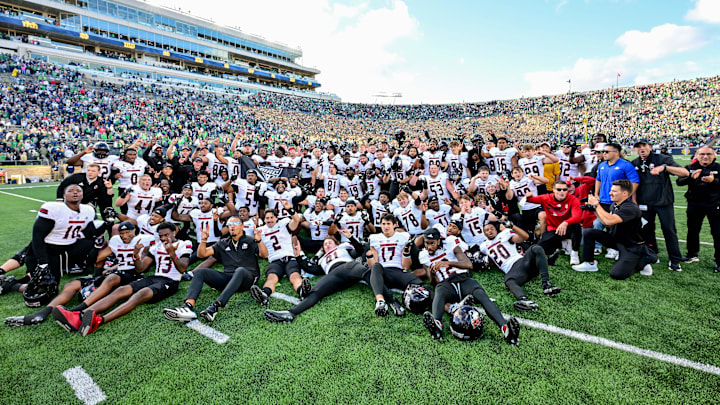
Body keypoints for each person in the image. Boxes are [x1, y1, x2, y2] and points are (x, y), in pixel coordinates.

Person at [51, 222, 192, 336]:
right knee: (121, 290)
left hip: (170, 282)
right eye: (160, 236)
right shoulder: (156, 247)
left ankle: (100, 321)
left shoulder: (185, 244)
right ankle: (78, 315)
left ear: (175, 232)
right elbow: (141, 269)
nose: (163, 238)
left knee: (140, 295)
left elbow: (183, 268)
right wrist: (136, 256)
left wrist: (172, 254)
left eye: (166, 235)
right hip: (154, 277)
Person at [412, 228, 520, 344]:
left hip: (463, 279)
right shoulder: (423, 255)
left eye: (432, 243)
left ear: (439, 241)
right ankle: (436, 326)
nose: (429, 247)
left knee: (482, 296)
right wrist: (432, 274)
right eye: (426, 243)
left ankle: (505, 329)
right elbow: (433, 282)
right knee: (439, 293)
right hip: (446, 284)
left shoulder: (450, 243)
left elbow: (468, 264)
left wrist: (448, 263)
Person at [263, 232, 396, 322]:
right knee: (315, 292)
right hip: (334, 276)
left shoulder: (343, 248)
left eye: (330, 243)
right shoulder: (322, 260)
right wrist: (298, 256)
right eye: (325, 244)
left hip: (348, 267)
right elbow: (310, 268)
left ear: (336, 244)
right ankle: (291, 313)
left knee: (367, 272)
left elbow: (359, 251)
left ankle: (390, 300)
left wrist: (351, 238)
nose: (327, 245)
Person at [163, 216, 260, 322]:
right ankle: (188, 307)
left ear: (242, 226)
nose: (232, 226)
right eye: (229, 224)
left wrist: (259, 241)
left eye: (235, 224)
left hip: (247, 279)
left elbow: (264, 254)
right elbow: (202, 254)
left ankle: (215, 307)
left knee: (240, 270)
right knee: (200, 272)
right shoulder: (223, 243)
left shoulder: (250, 240)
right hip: (229, 279)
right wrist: (204, 240)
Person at [572, 180, 655, 279]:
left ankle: (644, 261)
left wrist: (597, 205)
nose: (610, 193)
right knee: (589, 232)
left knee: (617, 274)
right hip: (617, 240)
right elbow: (605, 222)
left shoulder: (630, 208)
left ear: (625, 193)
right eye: (611, 190)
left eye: (614, 191)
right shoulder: (614, 205)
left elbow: (609, 221)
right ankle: (589, 263)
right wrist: (594, 210)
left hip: (631, 246)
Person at [631, 139, 689, 271]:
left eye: (644, 146)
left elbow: (685, 173)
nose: (641, 149)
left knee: (669, 230)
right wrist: (634, 200)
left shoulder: (662, 158)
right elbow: (633, 183)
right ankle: (652, 254)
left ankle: (675, 260)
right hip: (644, 203)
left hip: (663, 202)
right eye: (638, 147)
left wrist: (665, 168)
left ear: (650, 147)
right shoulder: (634, 163)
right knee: (646, 230)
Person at [479, 221, 561, 311]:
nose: (490, 231)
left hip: (522, 262)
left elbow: (524, 237)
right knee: (509, 280)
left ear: (496, 230)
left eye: (492, 229)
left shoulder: (504, 235)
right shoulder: (483, 246)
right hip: (515, 272)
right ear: (484, 233)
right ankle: (524, 301)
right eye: (487, 230)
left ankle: (546, 285)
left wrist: (512, 226)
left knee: (536, 248)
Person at [250, 202, 311, 306]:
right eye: (267, 218)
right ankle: (264, 295)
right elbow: (264, 255)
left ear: (276, 218)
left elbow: (296, 220)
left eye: (271, 217)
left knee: (294, 276)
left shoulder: (284, 223)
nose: (269, 220)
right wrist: (259, 241)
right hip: (275, 260)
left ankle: (302, 291)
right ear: (264, 220)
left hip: (289, 257)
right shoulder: (261, 231)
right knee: (272, 278)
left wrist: (289, 209)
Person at [367, 214, 425, 316]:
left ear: (395, 225)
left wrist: (406, 252)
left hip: (398, 272)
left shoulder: (403, 237)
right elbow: (373, 265)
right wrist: (369, 257)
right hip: (382, 273)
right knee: (376, 267)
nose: (386, 227)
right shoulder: (374, 238)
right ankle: (380, 301)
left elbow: (406, 266)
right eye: (383, 224)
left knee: (422, 286)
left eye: (388, 224)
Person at [676, 146, 720, 272]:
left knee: (717, 232)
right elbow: (679, 181)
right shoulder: (690, 168)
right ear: (697, 155)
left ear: (714, 156)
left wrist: (714, 181)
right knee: (693, 230)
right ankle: (692, 254)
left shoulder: (718, 168)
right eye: (702, 154)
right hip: (694, 204)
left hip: (714, 204)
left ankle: (719, 261)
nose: (705, 157)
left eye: (708, 154)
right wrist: (690, 178)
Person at [594, 143, 639, 260]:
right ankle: (598, 246)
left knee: (616, 226)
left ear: (616, 152)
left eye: (606, 152)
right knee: (597, 223)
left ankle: (614, 248)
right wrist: (596, 194)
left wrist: (626, 196)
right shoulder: (602, 165)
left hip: (618, 202)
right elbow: (598, 180)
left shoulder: (626, 165)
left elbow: (634, 182)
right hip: (603, 199)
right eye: (603, 151)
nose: (603, 154)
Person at [526, 181, 583, 265]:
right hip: (553, 229)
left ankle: (574, 253)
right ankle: (563, 244)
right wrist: (528, 196)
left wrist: (565, 223)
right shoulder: (546, 198)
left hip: (567, 228)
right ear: (553, 190)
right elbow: (531, 199)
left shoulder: (573, 199)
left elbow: (577, 217)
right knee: (541, 247)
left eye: (564, 189)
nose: (562, 192)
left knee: (576, 226)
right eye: (559, 189)